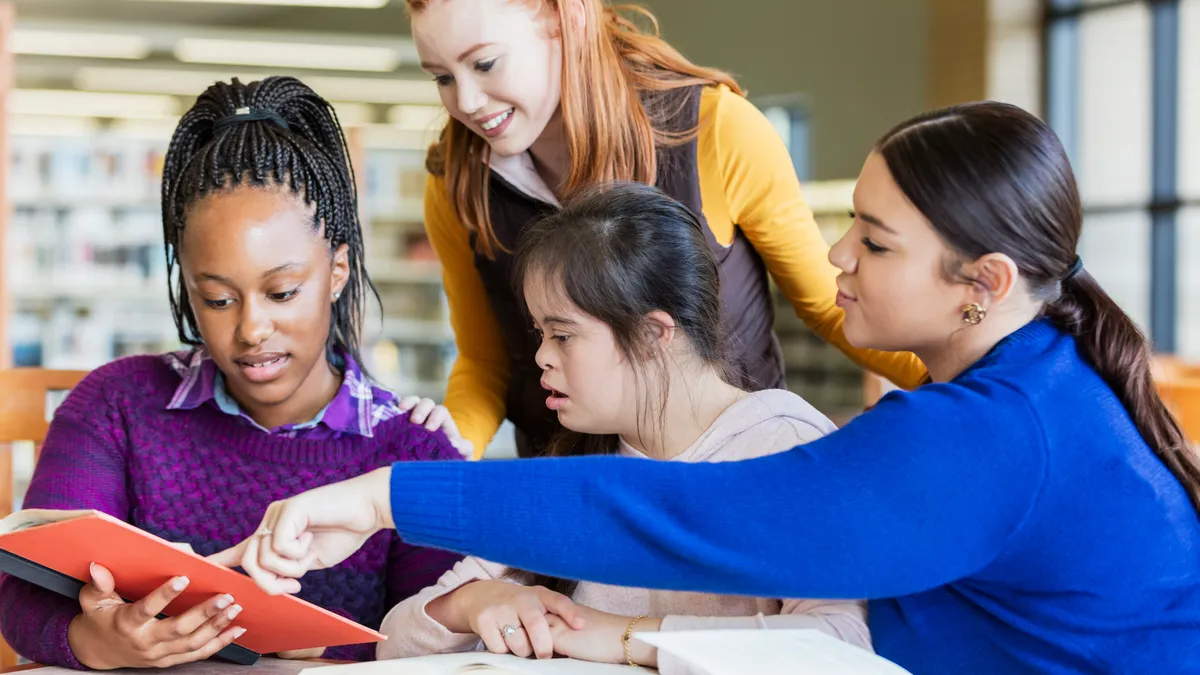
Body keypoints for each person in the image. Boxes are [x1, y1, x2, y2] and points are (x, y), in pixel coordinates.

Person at [223, 102, 1200, 675]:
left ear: (982, 284)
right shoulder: (1043, 388)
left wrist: (384, 498)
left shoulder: (988, 433)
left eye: (875, 239)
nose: (834, 254)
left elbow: (686, 515)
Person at [0, 76, 464, 670]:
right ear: (186, 287)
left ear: (338, 271)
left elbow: (445, 634)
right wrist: (102, 641)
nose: (251, 330)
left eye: (283, 291)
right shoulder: (115, 406)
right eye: (218, 299)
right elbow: (25, 595)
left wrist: (322, 646)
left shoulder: (415, 448)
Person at [374, 183, 869, 670]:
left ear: (654, 334)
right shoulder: (577, 464)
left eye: (563, 335)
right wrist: (472, 603)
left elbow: (841, 641)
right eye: (540, 333)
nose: (541, 356)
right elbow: (391, 643)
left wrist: (623, 638)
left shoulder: (785, 448)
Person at [404, 0, 926, 459]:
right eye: (442, 77)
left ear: (568, 16)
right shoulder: (458, 183)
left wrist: (975, 394)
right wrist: (446, 455)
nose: (466, 101)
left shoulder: (716, 129)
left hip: (729, 482)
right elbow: (487, 359)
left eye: (484, 63)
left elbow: (828, 308)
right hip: (575, 505)